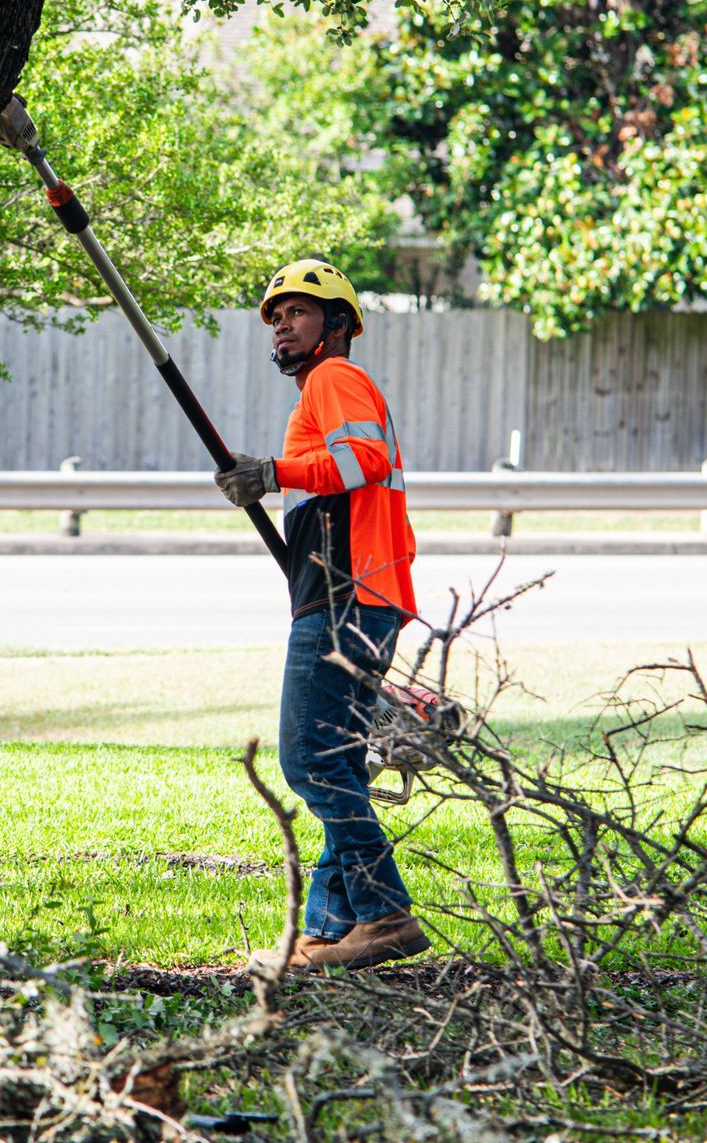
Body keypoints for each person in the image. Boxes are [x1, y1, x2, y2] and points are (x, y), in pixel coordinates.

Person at [213, 258, 426, 972]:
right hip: (351, 593)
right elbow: (340, 475)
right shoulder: (319, 392)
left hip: (347, 596)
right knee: (336, 763)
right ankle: (333, 929)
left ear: (338, 325)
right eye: (275, 316)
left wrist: (274, 472)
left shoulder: (336, 378)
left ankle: (386, 913)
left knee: (308, 760)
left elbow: (361, 460)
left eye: (299, 312)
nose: (282, 324)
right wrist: (277, 480)